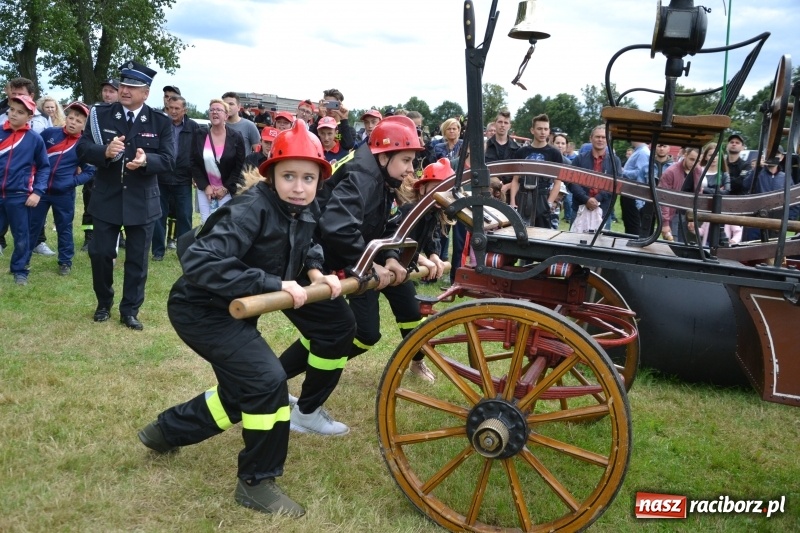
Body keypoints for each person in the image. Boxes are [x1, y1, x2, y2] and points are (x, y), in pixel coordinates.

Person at [138, 120, 355, 516]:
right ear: (270, 173)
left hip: (237, 309)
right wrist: (272, 281)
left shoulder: (303, 208)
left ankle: (164, 432)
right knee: (267, 381)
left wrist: (314, 271)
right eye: (289, 175)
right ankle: (256, 482)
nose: (299, 186)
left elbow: (309, 244)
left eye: (309, 178)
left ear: (319, 181)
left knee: (242, 393)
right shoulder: (251, 208)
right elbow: (200, 262)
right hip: (202, 309)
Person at [284, 116, 433, 430]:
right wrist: (370, 263)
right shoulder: (364, 174)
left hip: (322, 256)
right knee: (341, 331)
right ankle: (297, 406)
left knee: (338, 332)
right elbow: (338, 227)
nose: (411, 168)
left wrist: (390, 256)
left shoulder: (378, 174)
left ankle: (281, 392)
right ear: (384, 155)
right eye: (406, 159)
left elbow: (380, 227)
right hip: (307, 258)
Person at [76, 60, 175, 330]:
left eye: (134, 86)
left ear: (146, 93)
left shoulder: (160, 121)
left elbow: (168, 160)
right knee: (100, 253)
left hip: (141, 201)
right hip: (106, 197)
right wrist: (104, 153)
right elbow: (83, 148)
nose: (126, 90)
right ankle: (103, 303)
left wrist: (146, 162)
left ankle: (130, 310)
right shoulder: (101, 115)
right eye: (123, 85)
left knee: (137, 260)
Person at [29, 101, 95, 276]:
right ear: (65, 118)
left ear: (84, 125)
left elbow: (90, 171)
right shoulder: (50, 133)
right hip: (40, 191)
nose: (73, 122)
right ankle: (23, 258)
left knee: (64, 227)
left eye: (78, 121)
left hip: (63, 194)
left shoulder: (83, 145)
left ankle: (65, 261)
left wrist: (71, 182)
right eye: (71, 118)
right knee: (32, 225)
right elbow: (34, 153)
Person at [0, 95, 50, 285]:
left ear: (29, 117)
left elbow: (44, 167)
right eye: (12, 109)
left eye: (20, 112)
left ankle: (20, 269)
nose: (14, 114)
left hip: (19, 195)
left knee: (21, 235)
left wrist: (37, 191)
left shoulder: (34, 139)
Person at [151, 95, 198, 261]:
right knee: (158, 216)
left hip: (183, 178)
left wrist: (195, 174)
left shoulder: (194, 127)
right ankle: (157, 251)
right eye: (170, 108)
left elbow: (197, 153)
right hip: (161, 177)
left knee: (184, 216)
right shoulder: (160, 125)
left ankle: (184, 253)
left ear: (185, 110)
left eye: (177, 108)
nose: (173, 111)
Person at [80, 78, 120, 253]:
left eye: (112, 91)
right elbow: (85, 143)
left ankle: (120, 236)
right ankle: (89, 237)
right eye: (105, 90)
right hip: (94, 166)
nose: (107, 94)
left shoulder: (122, 116)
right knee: (90, 201)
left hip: (115, 168)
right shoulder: (95, 113)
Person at [191, 99, 245, 224]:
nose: (215, 112)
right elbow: (193, 162)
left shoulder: (236, 137)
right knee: (205, 223)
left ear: (226, 115)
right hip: (206, 190)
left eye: (219, 110)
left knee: (223, 224)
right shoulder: (199, 134)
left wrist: (225, 188)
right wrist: (205, 186)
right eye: (212, 110)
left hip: (226, 190)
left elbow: (239, 166)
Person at [511, 114, 564, 228]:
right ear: (532, 130)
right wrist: (512, 202)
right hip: (523, 196)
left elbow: (558, 182)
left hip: (543, 196)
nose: (543, 132)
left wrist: (549, 203)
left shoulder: (554, 153)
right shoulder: (521, 152)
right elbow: (515, 180)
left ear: (549, 131)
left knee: (542, 236)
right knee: (521, 233)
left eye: (545, 129)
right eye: (539, 129)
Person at [568, 125, 621, 231]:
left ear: (608, 140)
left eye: (603, 137)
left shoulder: (615, 161)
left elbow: (616, 184)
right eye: (597, 137)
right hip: (580, 208)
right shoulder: (580, 159)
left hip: (603, 210)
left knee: (601, 244)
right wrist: (586, 199)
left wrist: (598, 199)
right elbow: (571, 182)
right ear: (591, 138)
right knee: (573, 243)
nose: (600, 140)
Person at [658, 147, 701, 242]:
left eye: (698, 161)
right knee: (673, 245)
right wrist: (665, 223)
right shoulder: (671, 172)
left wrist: (693, 218)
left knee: (687, 245)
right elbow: (664, 198)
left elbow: (698, 195)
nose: (694, 163)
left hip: (687, 214)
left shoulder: (698, 171)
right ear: (685, 155)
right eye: (692, 159)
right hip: (673, 215)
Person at [620, 141, 651, 236]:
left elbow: (640, 173)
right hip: (629, 193)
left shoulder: (642, 153)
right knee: (629, 224)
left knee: (633, 227)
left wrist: (623, 172)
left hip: (633, 195)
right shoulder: (639, 151)